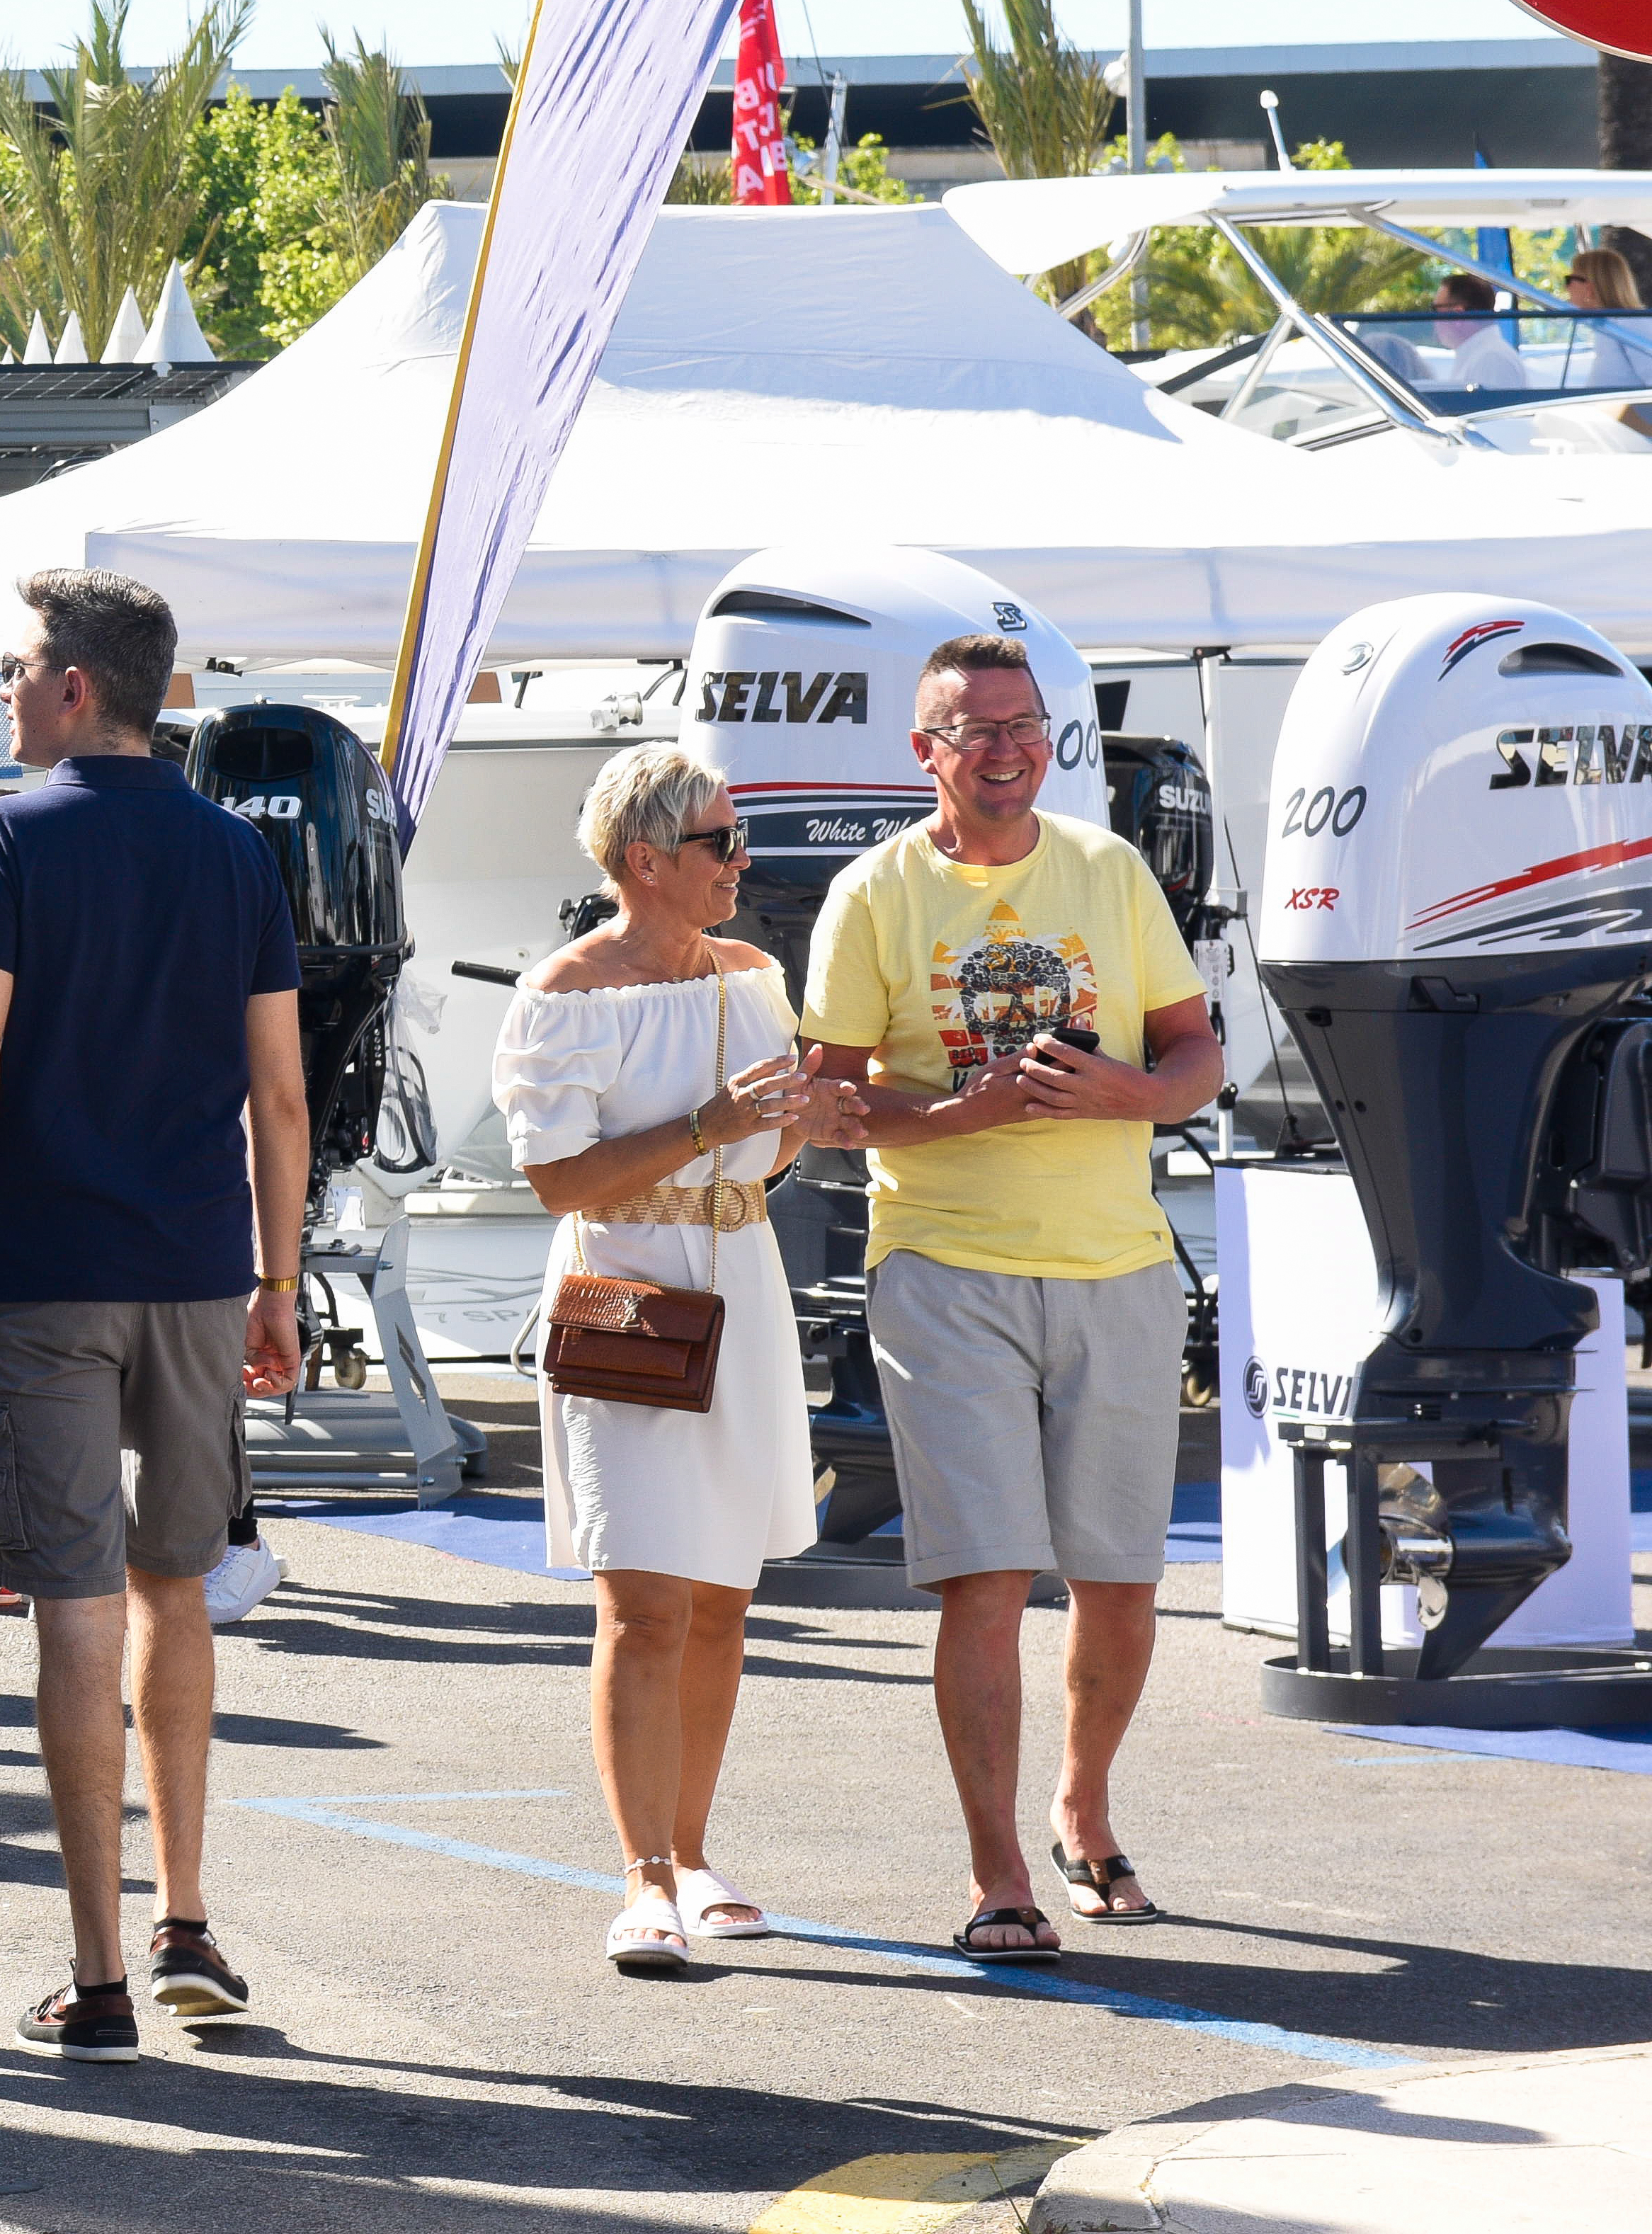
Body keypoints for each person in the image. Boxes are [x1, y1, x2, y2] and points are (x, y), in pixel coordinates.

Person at [0, 568, 305, 2060]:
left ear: (74, 685)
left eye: (13, 667)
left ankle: (96, 1972)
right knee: (172, 1585)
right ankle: (184, 1912)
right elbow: (278, 1090)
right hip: (197, 1266)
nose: (2, 690)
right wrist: (276, 1274)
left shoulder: (3, 832)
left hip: (42, 1269)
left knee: (69, 1606)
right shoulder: (228, 851)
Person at [794, 631, 1219, 1964]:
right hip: (946, 1270)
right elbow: (829, 1102)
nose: (1004, 747)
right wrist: (958, 1110)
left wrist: (1136, 1093)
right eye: (972, 729)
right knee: (986, 1579)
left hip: (1119, 1266)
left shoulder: (1108, 867)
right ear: (924, 751)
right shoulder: (875, 894)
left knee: (1121, 1581)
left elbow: (1197, 1048)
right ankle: (998, 1877)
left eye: (1022, 723)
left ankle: (1081, 1810)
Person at [501, 743, 824, 1974]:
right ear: (647, 861)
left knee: (725, 1597)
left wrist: (798, 1129)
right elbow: (559, 1181)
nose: (742, 862)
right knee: (642, 1598)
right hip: (623, 1284)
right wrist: (714, 1124)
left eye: (738, 839)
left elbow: (770, 1154)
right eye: (721, 843)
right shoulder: (565, 992)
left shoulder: (753, 975)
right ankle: (640, 1876)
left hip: (742, 1277)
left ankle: (691, 1854)